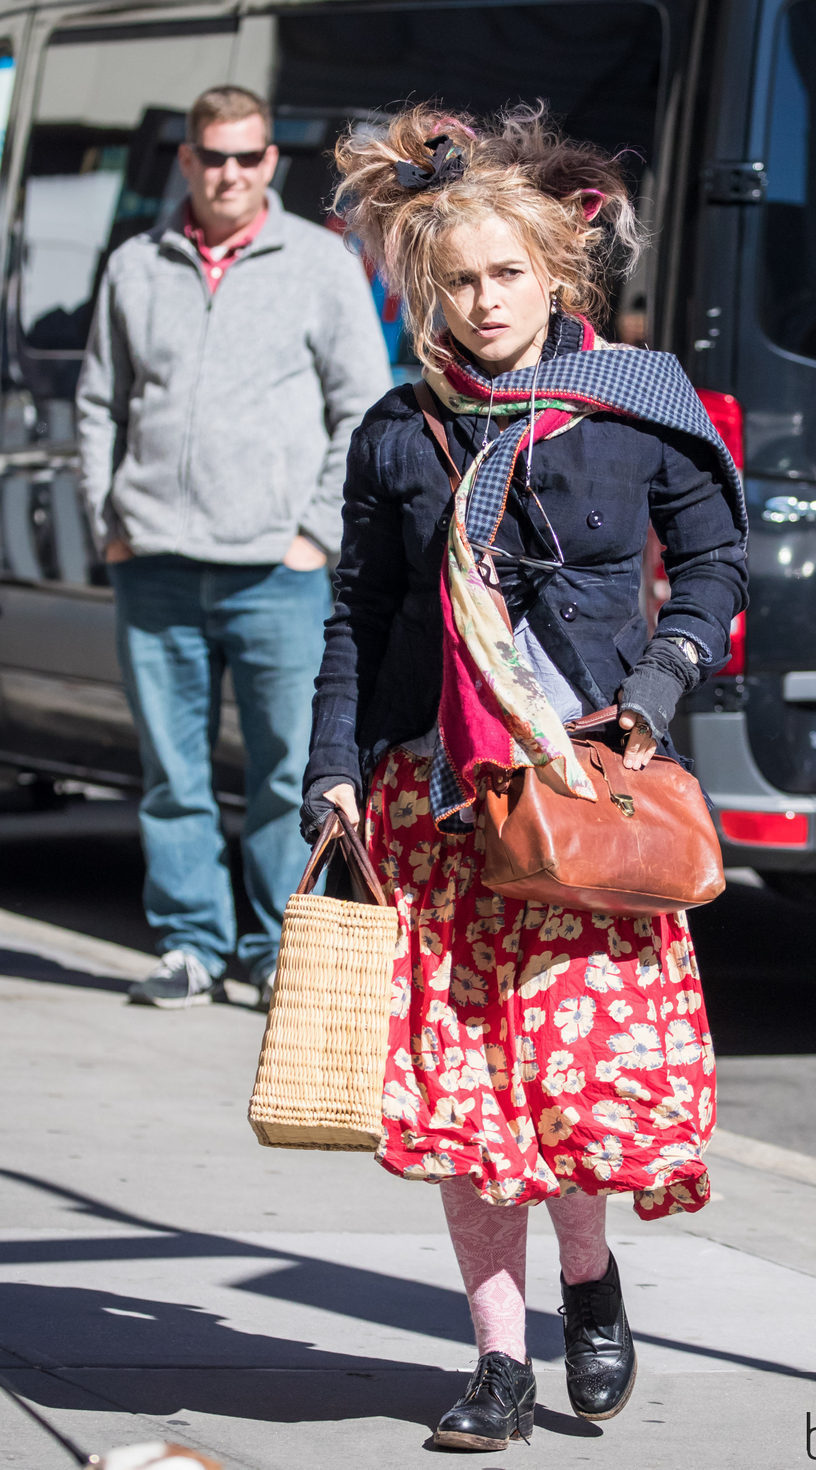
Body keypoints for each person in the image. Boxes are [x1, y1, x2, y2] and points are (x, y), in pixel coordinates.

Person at [301, 104, 747, 1450]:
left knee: (572, 1089)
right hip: (438, 804)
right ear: (425, 292)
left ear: (556, 274)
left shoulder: (637, 403)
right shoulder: (398, 430)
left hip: (587, 802)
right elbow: (356, 611)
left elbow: (716, 567)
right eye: (456, 282)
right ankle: (499, 1359)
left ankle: (589, 1277)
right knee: (468, 1103)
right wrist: (330, 768)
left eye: (506, 275)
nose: (484, 304)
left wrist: (657, 684)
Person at [77, 85, 392, 1010]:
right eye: (211, 156)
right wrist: (110, 519)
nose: (228, 173)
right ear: (185, 160)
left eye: (247, 157)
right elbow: (100, 401)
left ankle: (274, 951)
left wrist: (313, 536)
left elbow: (362, 412)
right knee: (171, 774)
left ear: (270, 163)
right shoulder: (137, 264)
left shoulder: (320, 264)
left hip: (275, 570)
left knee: (286, 772)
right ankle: (188, 945)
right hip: (158, 564)